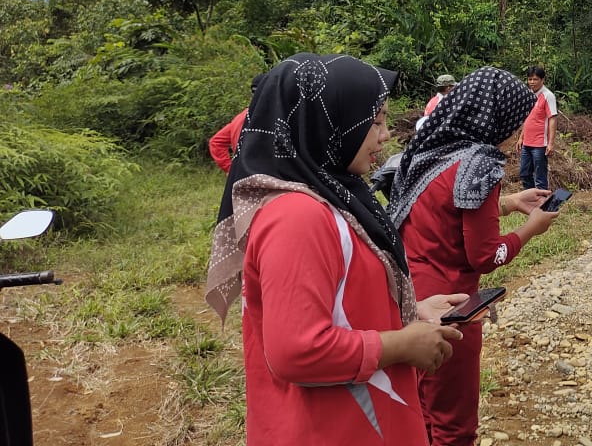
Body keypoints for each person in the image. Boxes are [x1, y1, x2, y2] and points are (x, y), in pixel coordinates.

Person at [205, 53, 465, 446]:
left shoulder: (335, 196)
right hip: (330, 428)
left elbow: (338, 297)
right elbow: (296, 350)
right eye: (374, 120)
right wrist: (401, 344)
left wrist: (411, 312)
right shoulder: (297, 217)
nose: (385, 135)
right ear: (328, 122)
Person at [387, 67, 559, 446]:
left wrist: (510, 203)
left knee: (419, 408)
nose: (517, 133)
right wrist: (531, 227)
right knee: (453, 421)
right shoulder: (481, 165)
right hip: (453, 306)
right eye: (517, 122)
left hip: (410, 296)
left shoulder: (434, 149)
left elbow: (443, 212)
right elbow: (485, 256)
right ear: (497, 118)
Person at [207, 74, 264, 173]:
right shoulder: (269, 116)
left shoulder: (241, 116)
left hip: (241, 176)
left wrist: (230, 169)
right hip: (260, 177)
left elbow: (216, 142)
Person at [517, 65, 557, 191]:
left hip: (540, 144)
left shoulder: (548, 96)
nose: (532, 82)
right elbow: (527, 119)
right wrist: (521, 137)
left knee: (540, 177)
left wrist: (550, 143)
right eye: (530, 79)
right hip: (527, 143)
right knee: (524, 174)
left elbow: (552, 119)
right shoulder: (528, 95)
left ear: (542, 80)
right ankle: (530, 201)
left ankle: (542, 203)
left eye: (535, 79)